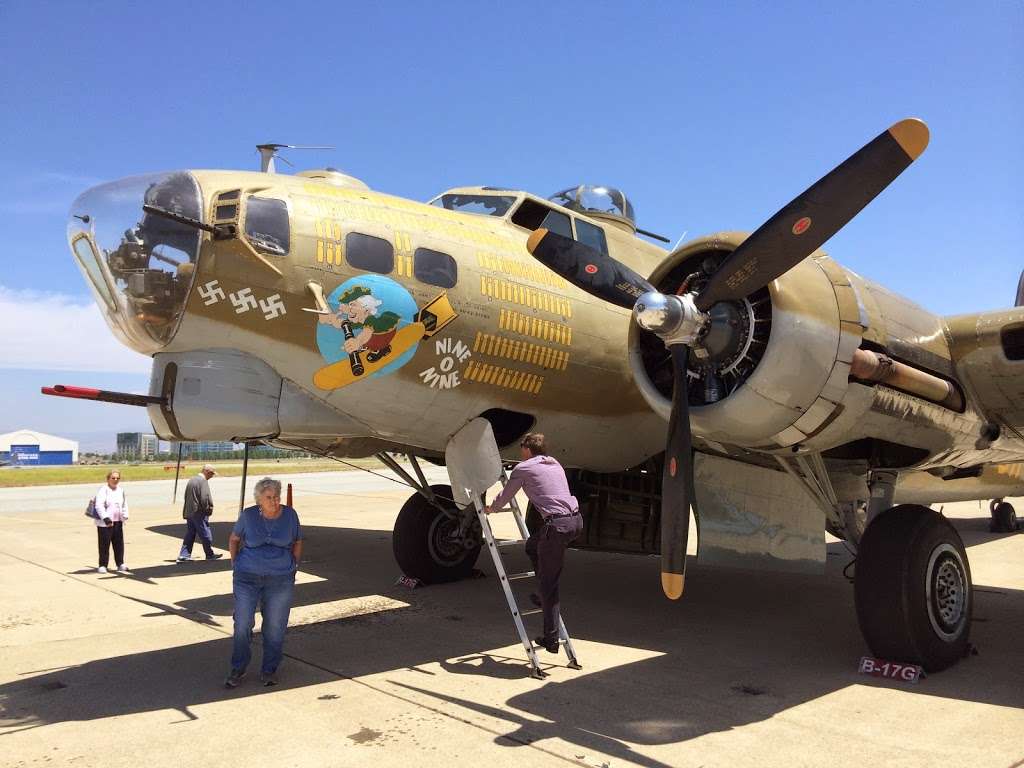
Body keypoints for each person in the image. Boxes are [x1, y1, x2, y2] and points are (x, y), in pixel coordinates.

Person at [485, 433, 582, 654]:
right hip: (575, 522)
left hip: (556, 526)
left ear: (527, 449)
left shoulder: (524, 468)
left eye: (521, 448)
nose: (520, 452)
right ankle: (542, 594)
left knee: (550, 587)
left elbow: (506, 495)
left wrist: (491, 508)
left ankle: (551, 640)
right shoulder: (554, 463)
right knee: (532, 546)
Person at [225, 477, 303, 688]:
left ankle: (269, 669)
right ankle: (238, 668)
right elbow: (234, 539)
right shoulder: (248, 516)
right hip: (247, 577)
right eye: (269, 497)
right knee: (242, 623)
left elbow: (297, 541)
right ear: (259, 499)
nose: (275, 501)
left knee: (275, 627)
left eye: (276, 497)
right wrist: (235, 563)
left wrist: (293, 567)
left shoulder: (290, 515)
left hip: (280, 579)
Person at [177, 464, 223, 562]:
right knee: (206, 534)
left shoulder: (192, 480)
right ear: (206, 471)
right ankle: (209, 554)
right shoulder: (202, 481)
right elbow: (204, 498)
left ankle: (184, 555)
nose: (211, 476)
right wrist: (208, 509)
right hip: (199, 512)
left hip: (190, 511)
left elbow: (186, 496)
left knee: (190, 534)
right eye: (211, 474)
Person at [93, 469, 129, 573]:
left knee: (119, 544)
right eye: (113, 478)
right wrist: (106, 518)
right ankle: (103, 565)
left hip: (118, 521)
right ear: (108, 479)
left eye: (118, 478)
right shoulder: (103, 490)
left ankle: (120, 563)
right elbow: (99, 505)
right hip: (106, 523)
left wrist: (125, 514)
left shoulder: (120, 490)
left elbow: (124, 503)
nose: (115, 480)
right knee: (104, 544)